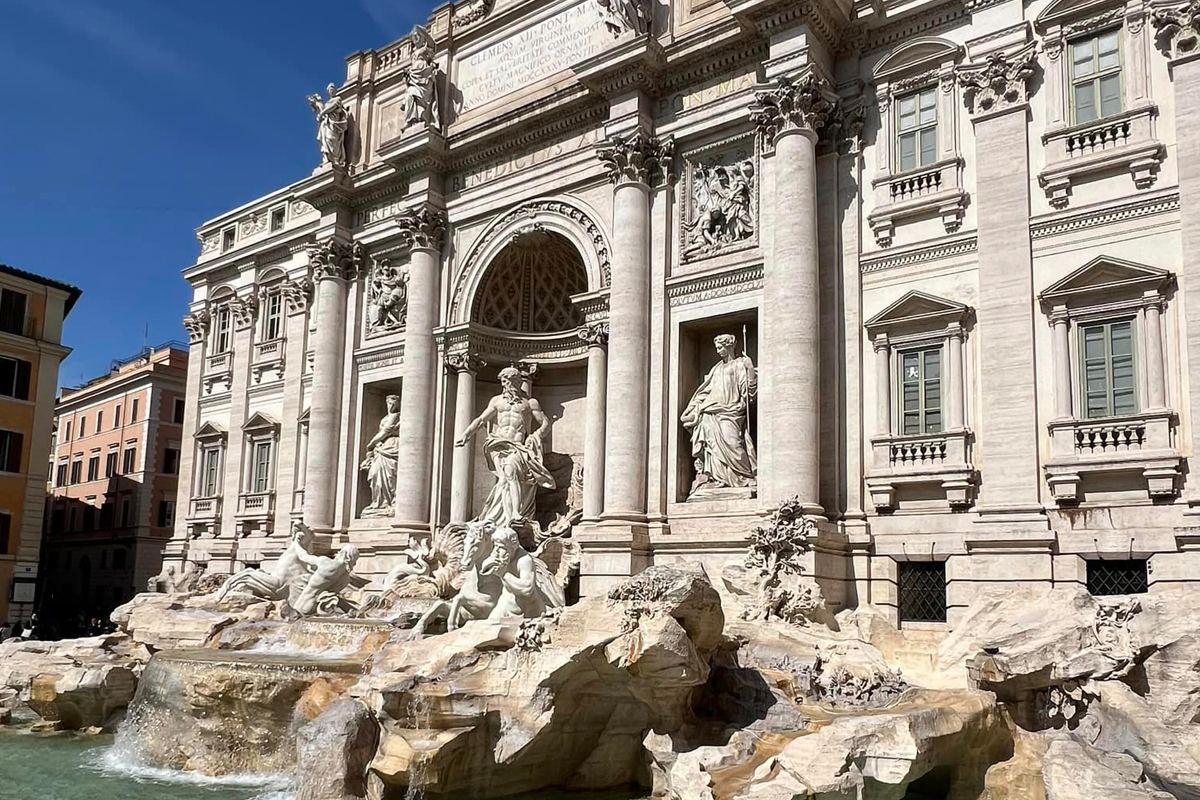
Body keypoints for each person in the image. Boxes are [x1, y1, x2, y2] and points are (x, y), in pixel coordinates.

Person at [454, 366, 555, 527]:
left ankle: (498, 515)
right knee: (506, 476)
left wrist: (536, 436)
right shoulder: (497, 401)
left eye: (506, 381)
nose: (504, 385)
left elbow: (545, 423)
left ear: (515, 381)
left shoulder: (529, 402)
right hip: (498, 444)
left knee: (508, 475)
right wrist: (466, 435)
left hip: (518, 446)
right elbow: (481, 420)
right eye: (502, 382)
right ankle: (512, 513)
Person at [681, 334, 758, 494]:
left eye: (720, 347)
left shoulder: (739, 365)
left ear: (730, 346)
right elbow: (705, 392)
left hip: (732, 412)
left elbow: (749, 392)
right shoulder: (716, 368)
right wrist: (693, 409)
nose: (717, 351)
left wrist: (750, 368)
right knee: (712, 448)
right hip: (710, 413)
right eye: (716, 348)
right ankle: (716, 478)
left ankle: (745, 476)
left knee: (733, 443)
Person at [360, 395, 400, 515]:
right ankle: (379, 503)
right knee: (375, 473)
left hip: (392, 446)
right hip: (381, 448)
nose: (390, 404)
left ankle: (389, 501)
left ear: (398, 404)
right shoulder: (385, 417)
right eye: (388, 402)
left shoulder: (396, 416)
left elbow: (385, 431)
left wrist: (370, 444)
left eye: (393, 402)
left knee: (390, 475)